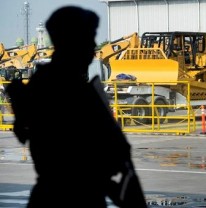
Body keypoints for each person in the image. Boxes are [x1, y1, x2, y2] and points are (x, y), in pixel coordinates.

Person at [5, 6, 146, 208]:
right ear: (72, 43)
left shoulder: (46, 82)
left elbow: (23, 131)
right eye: (88, 39)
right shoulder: (69, 88)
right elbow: (79, 151)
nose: (92, 46)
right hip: (73, 196)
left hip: (59, 193)